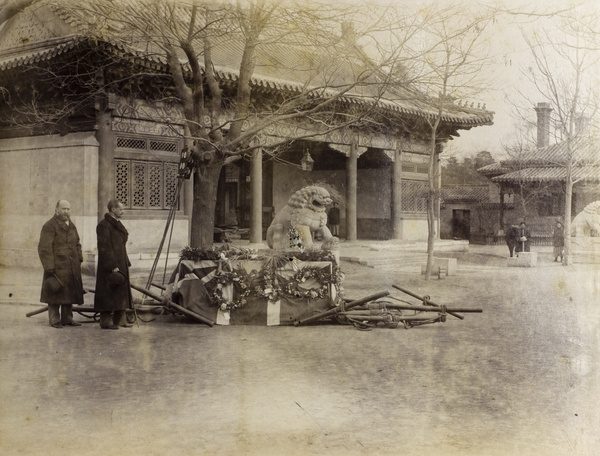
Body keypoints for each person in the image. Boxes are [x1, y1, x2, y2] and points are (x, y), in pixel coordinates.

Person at [38, 200, 84, 328]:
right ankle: (54, 320)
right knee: (55, 292)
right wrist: (49, 266)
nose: (66, 212)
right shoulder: (49, 226)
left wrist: (79, 258)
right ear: (56, 209)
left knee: (69, 293)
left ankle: (67, 319)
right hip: (56, 267)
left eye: (68, 209)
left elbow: (77, 243)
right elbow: (44, 248)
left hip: (71, 266)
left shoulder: (71, 225)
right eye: (63, 209)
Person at [94, 199, 133, 330]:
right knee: (108, 293)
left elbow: (122, 243)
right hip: (109, 265)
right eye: (121, 209)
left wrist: (125, 261)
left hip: (121, 262)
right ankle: (106, 321)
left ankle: (120, 320)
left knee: (120, 291)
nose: (123, 211)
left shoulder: (117, 224)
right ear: (113, 210)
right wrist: (112, 265)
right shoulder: (103, 225)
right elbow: (104, 248)